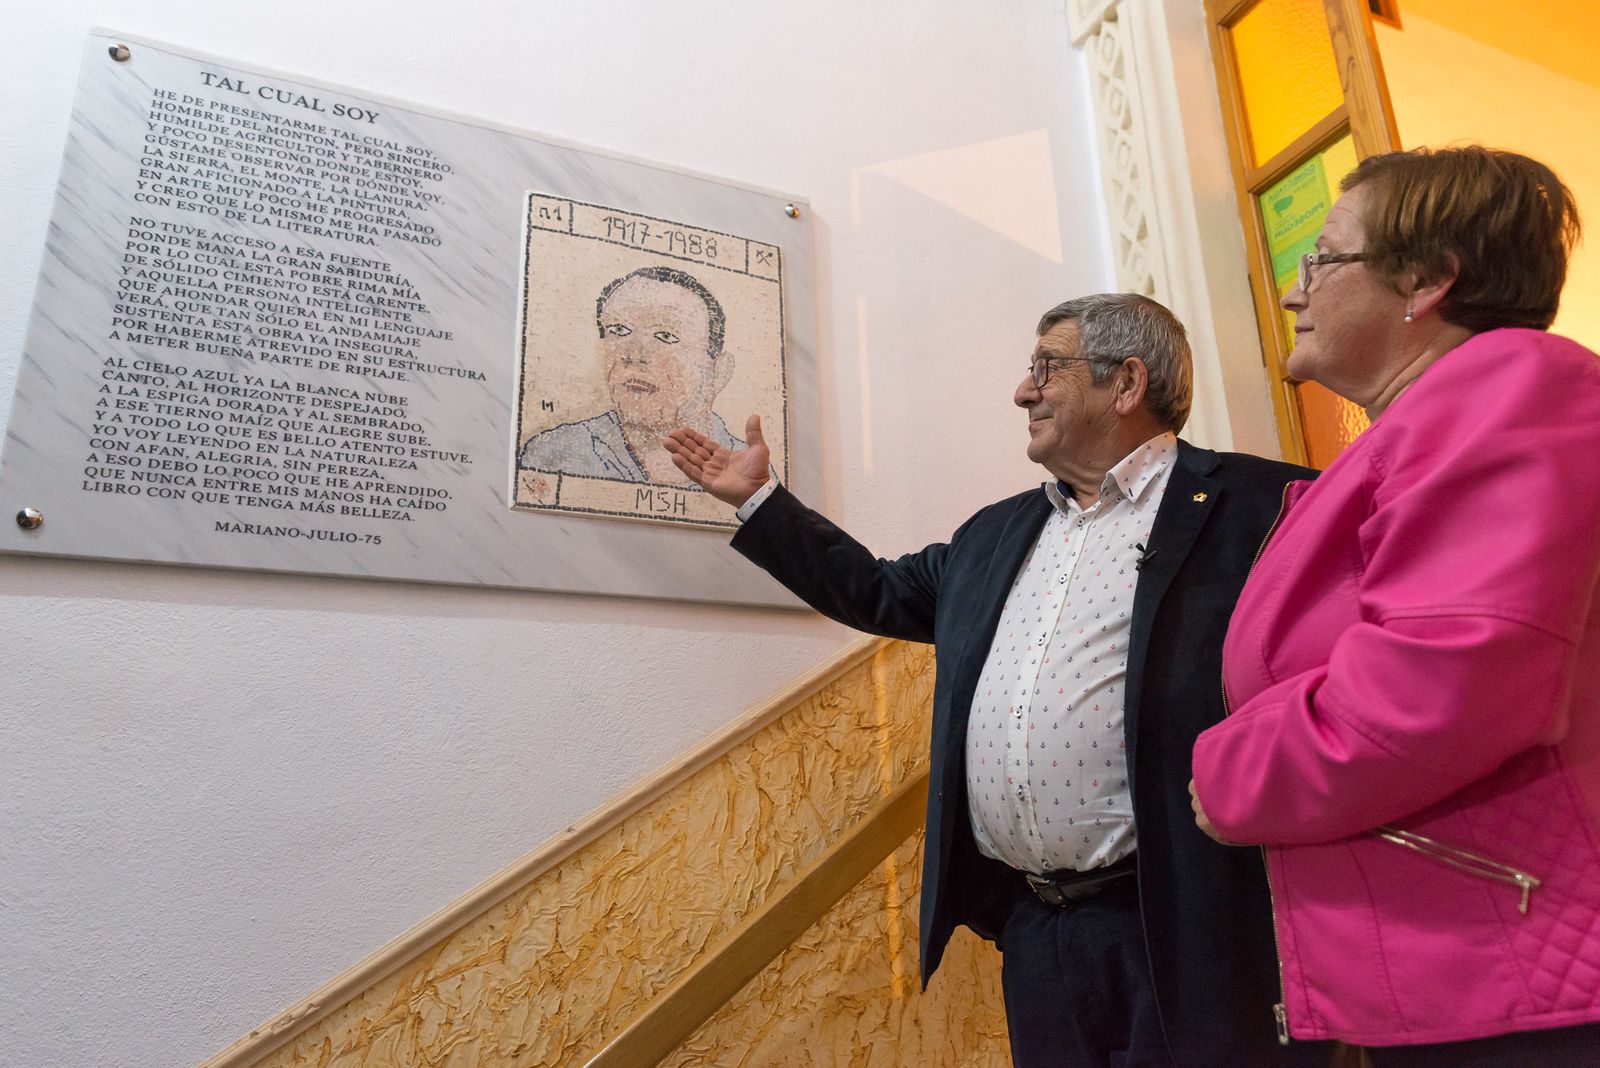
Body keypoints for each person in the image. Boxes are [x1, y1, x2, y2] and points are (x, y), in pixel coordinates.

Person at [665, 293, 1325, 1068]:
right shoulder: (996, 533)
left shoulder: (1264, 507)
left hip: (1185, 923)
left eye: (1047, 367)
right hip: (1036, 931)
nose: (1022, 392)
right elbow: (875, 591)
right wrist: (761, 503)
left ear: (1126, 383)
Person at [1189, 146, 1600, 1066]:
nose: (1291, 291)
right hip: (1474, 967)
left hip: (1534, 983)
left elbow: (1445, 681)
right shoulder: (1423, 423)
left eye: (1320, 259)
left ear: (1428, 280)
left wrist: (1229, 775)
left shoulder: (1508, 388)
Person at [520, 265, 744, 484]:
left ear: (718, 372)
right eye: (619, 330)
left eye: (666, 336)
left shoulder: (747, 471)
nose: (635, 355)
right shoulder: (553, 455)